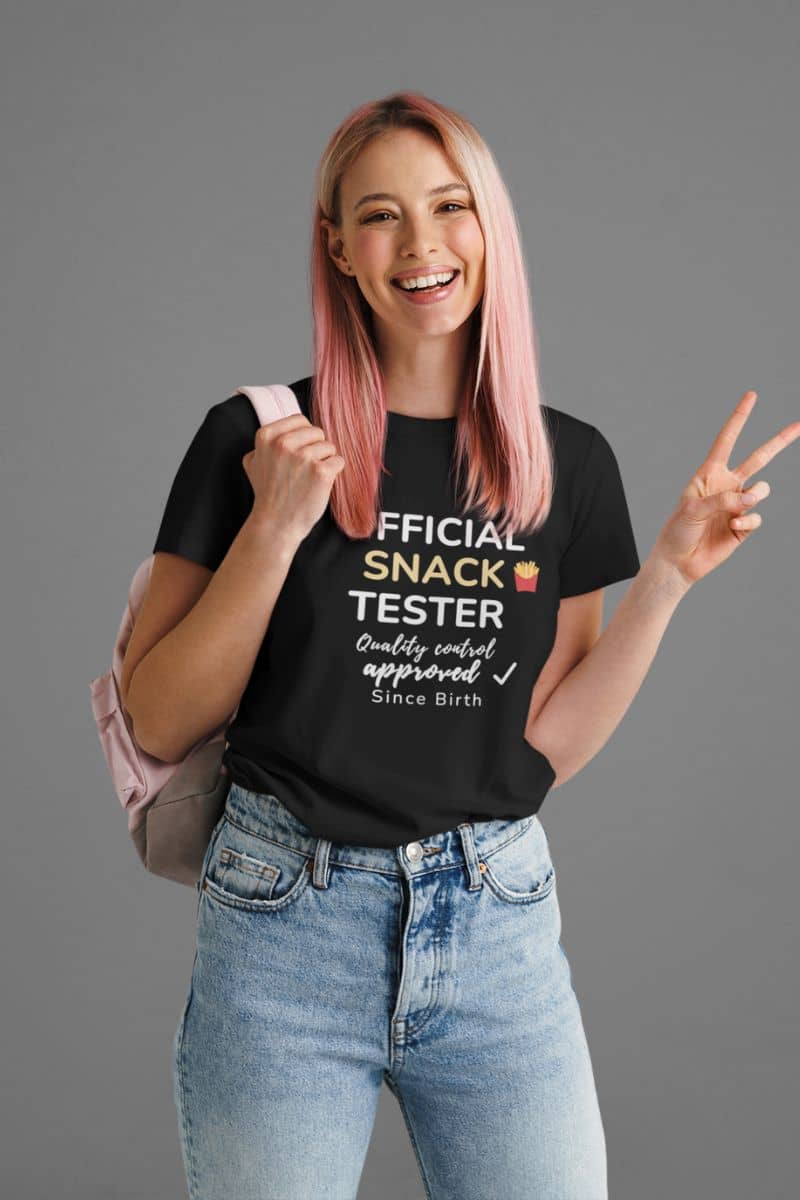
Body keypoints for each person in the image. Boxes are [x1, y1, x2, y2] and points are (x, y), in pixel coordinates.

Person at [120, 91, 799, 1200]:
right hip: (286, 923)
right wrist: (278, 523)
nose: (422, 244)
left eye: (449, 206)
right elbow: (158, 717)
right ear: (337, 247)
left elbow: (541, 748)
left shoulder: (562, 466)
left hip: (496, 929)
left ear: (490, 225)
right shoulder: (254, 440)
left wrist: (667, 576)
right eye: (381, 215)